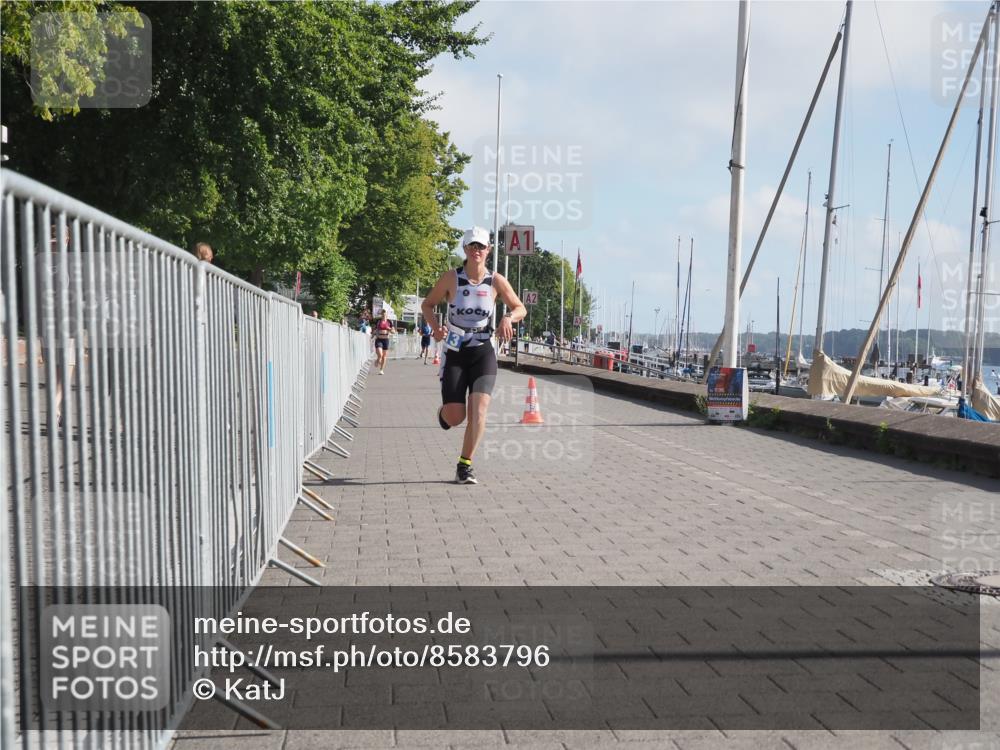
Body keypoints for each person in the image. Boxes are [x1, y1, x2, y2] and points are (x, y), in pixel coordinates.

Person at [421, 226, 526, 485]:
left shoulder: (496, 281)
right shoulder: (451, 279)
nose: (476, 251)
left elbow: (520, 307)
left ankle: (464, 465)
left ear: (489, 250)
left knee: (479, 410)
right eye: (472, 246)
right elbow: (427, 304)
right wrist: (435, 328)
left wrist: (508, 317)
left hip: (483, 351)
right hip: (456, 351)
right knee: (457, 417)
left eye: (481, 246)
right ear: (465, 249)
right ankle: (444, 414)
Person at [372, 309, 392, 374]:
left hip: (386, 340)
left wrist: (389, 329)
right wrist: (373, 334)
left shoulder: (389, 322)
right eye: (382, 314)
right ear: (381, 315)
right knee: (380, 355)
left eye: (385, 314)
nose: (384, 315)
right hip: (379, 339)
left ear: (387, 315)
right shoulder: (378, 321)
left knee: (384, 356)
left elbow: (394, 331)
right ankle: (378, 359)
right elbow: (375, 330)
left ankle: (381, 370)